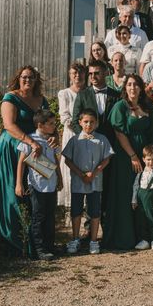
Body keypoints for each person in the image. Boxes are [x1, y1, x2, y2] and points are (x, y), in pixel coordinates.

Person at [0, 66, 52, 255]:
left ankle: (36, 241)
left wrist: (53, 135)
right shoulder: (10, 97)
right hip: (13, 148)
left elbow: (47, 124)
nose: (27, 80)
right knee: (13, 192)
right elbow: (9, 125)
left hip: (36, 150)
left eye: (31, 77)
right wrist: (30, 142)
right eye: (24, 77)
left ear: (36, 79)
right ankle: (11, 240)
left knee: (37, 192)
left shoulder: (42, 100)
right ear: (19, 78)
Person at [103, 74, 153, 250]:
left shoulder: (146, 106)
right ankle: (123, 237)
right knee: (125, 194)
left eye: (136, 85)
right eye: (129, 85)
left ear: (141, 88)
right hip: (126, 157)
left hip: (145, 158)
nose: (133, 88)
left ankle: (143, 235)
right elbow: (119, 133)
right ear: (125, 88)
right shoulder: (120, 106)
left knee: (142, 195)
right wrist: (133, 156)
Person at [62, 108, 113, 255]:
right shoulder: (74, 140)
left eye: (92, 122)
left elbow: (106, 159)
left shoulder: (102, 139)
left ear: (96, 123)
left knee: (95, 211)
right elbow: (67, 160)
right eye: (85, 122)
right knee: (76, 210)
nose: (88, 125)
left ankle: (93, 240)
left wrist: (94, 173)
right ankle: (75, 238)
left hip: (95, 182)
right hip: (78, 182)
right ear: (80, 122)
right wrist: (81, 174)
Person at [14, 109, 62, 260]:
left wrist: (59, 179)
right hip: (37, 185)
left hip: (52, 184)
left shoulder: (52, 140)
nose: (54, 126)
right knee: (38, 216)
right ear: (40, 125)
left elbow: (56, 160)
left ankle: (50, 246)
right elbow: (21, 162)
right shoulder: (30, 139)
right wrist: (18, 184)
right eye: (51, 124)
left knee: (50, 216)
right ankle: (39, 249)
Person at [58, 63, 87, 211]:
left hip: (88, 135)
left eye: (80, 73)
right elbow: (65, 117)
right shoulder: (64, 93)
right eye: (74, 73)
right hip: (72, 134)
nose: (77, 76)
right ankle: (70, 207)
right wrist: (81, 129)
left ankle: (85, 207)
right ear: (70, 75)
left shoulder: (89, 92)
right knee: (70, 169)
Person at [72, 60, 120, 147]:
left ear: (105, 73)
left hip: (111, 145)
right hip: (88, 144)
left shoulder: (116, 96)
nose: (93, 76)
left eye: (96, 73)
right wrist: (85, 137)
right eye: (90, 73)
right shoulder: (82, 95)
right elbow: (75, 121)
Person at [132, 145, 153, 251]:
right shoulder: (140, 174)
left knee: (152, 219)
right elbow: (135, 187)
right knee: (141, 219)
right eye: (148, 159)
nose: (150, 162)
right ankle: (144, 240)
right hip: (141, 199)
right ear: (143, 159)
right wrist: (134, 200)